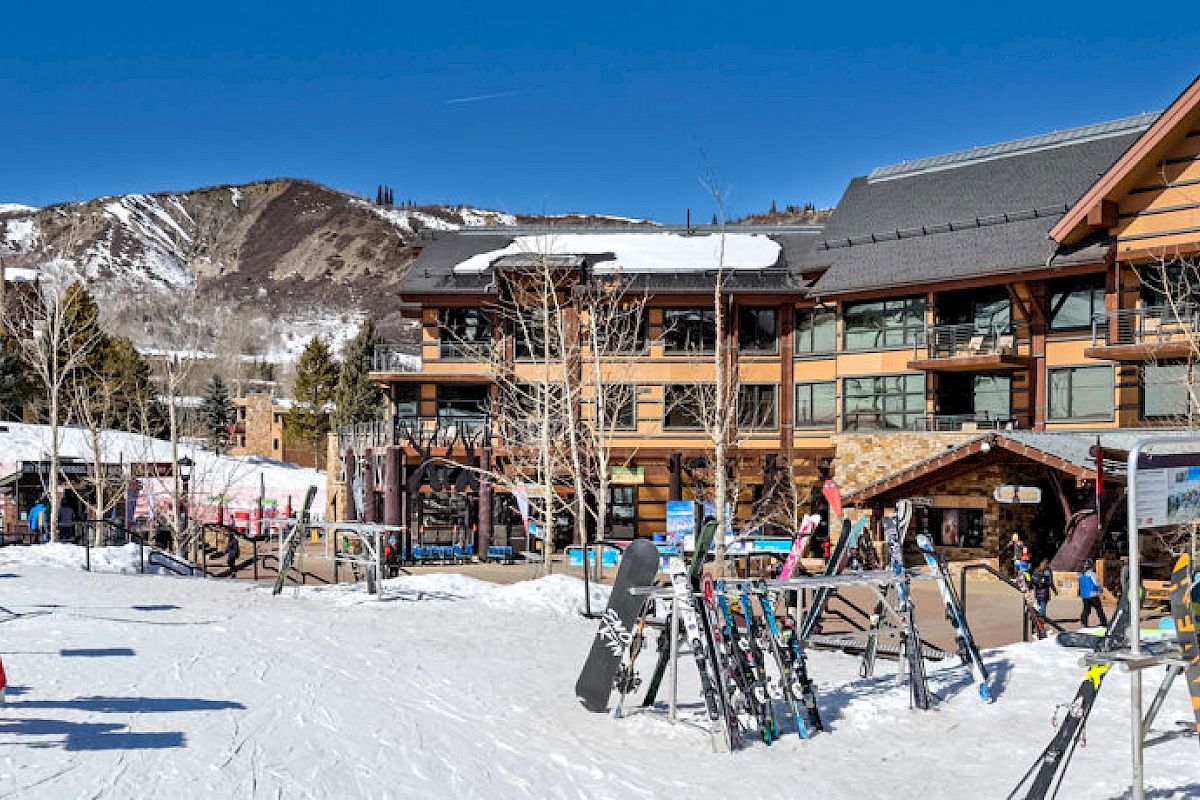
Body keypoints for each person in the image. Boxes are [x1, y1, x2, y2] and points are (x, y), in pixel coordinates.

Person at [1078, 559, 1108, 628]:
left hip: (1085, 595)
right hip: (1093, 594)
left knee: (1086, 609)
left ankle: (1084, 622)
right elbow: (1096, 583)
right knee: (1099, 609)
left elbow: (1080, 585)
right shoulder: (1092, 574)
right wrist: (1100, 590)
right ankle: (1103, 622)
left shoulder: (1080, 575)